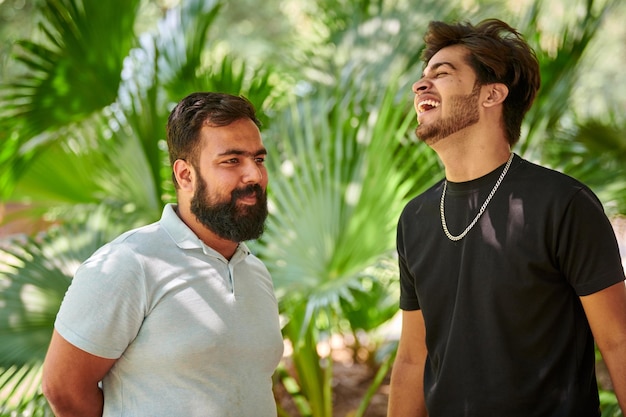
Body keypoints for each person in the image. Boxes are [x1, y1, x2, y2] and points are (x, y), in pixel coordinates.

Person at [388, 19, 626, 417]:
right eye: (422, 76)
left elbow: (618, 341)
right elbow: (413, 357)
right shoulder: (415, 217)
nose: (419, 85)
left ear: (491, 94)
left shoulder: (563, 203)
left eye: (442, 74)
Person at [42, 92, 284, 416]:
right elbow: (63, 389)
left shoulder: (255, 272)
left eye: (258, 159)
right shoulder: (130, 264)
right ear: (185, 175)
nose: (254, 175)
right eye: (232, 160)